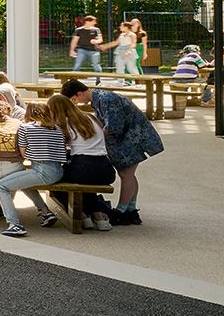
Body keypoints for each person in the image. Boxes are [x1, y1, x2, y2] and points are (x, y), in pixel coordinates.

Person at [62, 79, 163, 225]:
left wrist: (91, 138)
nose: (75, 103)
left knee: (125, 174)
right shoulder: (99, 99)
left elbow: (114, 126)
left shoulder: (106, 99)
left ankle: (121, 212)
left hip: (134, 138)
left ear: (79, 93)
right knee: (129, 175)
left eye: (74, 99)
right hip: (131, 137)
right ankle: (130, 210)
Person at [0, 102, 67, 237]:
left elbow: (23, 154)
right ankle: (45, 212)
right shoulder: (57, 129)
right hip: (58, 171)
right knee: (23, 181)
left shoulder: (25, 128)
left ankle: (14, 223)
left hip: (41, 169)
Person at [0, 101, 48, 221]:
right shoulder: (17, 123)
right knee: (16, 179)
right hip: (12, 168)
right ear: (8, 111)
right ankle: (0, 207)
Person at [46, 93, 115, 231]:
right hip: (106, 168)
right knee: (86, 185)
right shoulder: (91, 118)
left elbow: (59, 150)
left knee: (54, 180)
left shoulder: (64, 123)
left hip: (82, 166)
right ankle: (99, 216)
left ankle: (83, 215)